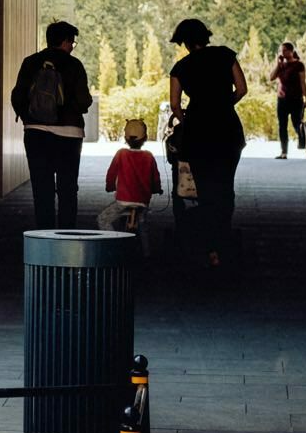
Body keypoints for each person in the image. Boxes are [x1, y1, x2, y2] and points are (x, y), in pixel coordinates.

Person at [168, 18, 248, 268]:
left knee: (204, 191)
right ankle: (223, 241)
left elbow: (174, 105)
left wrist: (190, 118)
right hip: (227, 130)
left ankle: (210, 246)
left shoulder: (180, 67)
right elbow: (242, 89)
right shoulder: (225, 55)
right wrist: (222, 105)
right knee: (226, 188)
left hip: (198, 134)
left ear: (184, 42)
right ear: (206, 36)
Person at [11, 21, 94, 229]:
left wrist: (29, 118)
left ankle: (44, 239)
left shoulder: (30, 62)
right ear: (65, 41)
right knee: (67, 188)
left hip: (36, 133)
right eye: (72, 43)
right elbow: (84, 101)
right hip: (69, 134)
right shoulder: (74, 65)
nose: (72, 47)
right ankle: (67, 239)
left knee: (42, 189)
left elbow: (17, 96)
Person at [98, 118, 162, 247]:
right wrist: (156, 189)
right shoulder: (149, 156)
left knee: (103, 219)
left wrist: (109, 186)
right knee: (143, 226)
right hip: (142, 201)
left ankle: (114, 244)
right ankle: (146, 254)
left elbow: (111, 174)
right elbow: (155, 177)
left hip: (123, 200)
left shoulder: (121, 154)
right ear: (145, 138)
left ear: (125, 138)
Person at [269, 42, 306, 158]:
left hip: (296, 99)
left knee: (297, 124)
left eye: (285, 50)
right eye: (281, 51)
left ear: (291, 51)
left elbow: (303, 83)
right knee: (282, 126)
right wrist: (278, 64)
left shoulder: (299, 65)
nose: (283, 53)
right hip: (282, 99)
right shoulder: (281, 66)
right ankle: (284, 152)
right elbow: (271, 77)